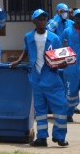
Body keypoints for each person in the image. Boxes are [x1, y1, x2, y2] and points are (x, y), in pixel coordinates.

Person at [11, 9, 69, 147]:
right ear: (34, 21)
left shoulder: (54, 38)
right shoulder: (28, 36)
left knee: (61, 106)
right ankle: (42, 137)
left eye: (44, 19)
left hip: (51, 77)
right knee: (40, 109)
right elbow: (26, 50)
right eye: (40, 19)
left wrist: (63, 64)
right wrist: (18, 61)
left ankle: (59, 136)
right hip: (36, 78)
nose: (43, 21)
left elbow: (58, 56)